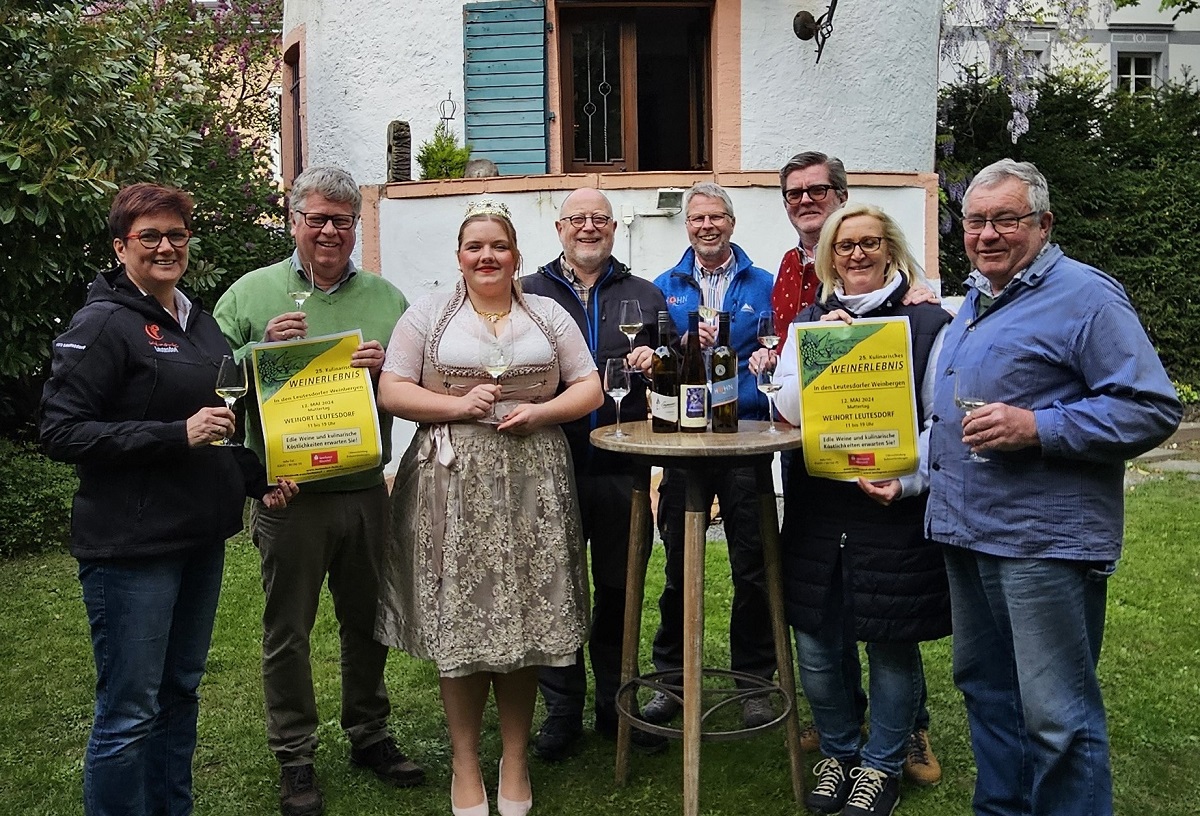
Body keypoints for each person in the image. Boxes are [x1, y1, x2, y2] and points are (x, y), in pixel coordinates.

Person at [927, 159, 1181, 816]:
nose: (986, 234)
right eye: (975, 220)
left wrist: (1039, 427)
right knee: (986, 692)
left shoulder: (1086, 296)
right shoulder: (979, 299)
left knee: (1057, 718)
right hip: (969, 532)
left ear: (1043, 224)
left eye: (1005, 220)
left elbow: (1151, 406)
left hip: (1042, 543)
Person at [40, 183, 297, 816]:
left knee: (180, 694)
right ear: (120, 245)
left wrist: (257, 478)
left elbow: (218, 423)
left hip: (199, 538)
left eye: (176, 235)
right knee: (129, 712)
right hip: (131, 547)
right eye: (149, 236)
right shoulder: (102, 324)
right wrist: (173, 435)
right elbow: (61, 431)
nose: (165, 246)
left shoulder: (196, 321)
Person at [374, 200, 603, 816]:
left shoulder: (548, 313)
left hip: (534, 476)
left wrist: (542, 412)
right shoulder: (428, 314)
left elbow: (588, 386)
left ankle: (516, 760)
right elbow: (392, 389)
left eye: (498, 246)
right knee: (463, 620)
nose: (487, 256)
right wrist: (458, 407)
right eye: (474, 247)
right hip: (452, 482)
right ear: (459, 256)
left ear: (516, 256)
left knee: (527, 621)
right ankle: (466, 763)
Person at [213, 166, 420, 816]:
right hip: (288, 497)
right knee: (288, 632)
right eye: (318, 218)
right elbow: (211, 383)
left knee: (367, 623)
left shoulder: (388, 300)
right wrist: (256, 351)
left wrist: (389, 365)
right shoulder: (250, 294)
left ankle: (370, 735)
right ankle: (295, 757)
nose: (331, 230)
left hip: (364, 491)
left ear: (357, 225)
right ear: (294, 221)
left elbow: (418, 380)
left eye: (343, 219)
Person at [749, 151, 943, 785]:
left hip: (891, 503)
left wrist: (908, 480)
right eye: (845, 247)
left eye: (869, 244)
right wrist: (825, 354)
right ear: (829, 258)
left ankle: (883, 762)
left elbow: (940, 425)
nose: (856, 255)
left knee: (889, 639)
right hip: (818, 501)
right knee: (817, 642)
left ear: (890, 251)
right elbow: (783, 410)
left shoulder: (929, 320)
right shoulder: (810, 322)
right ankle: (839, 751)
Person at [521, 187, 671, 760]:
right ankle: (561, 711)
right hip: (545, 465)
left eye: (599, 219)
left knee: (618, 589)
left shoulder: (644, 294)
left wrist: (659, 362)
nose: (588, 227)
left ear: (614, 229)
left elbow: (672, 376)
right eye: (577, 219)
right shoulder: (528, 293)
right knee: (554, 592)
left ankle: (615, 703)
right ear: (559, 228)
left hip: (620, 469)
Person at [636, 181, 777, 730]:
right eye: (697, 219)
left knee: (753, 567)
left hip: (743, 441)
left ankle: (756, 682)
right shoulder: (663, 287)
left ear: (732, 224)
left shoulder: (763, 284)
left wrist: (773, 352)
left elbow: (783, 342)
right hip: (684, 445)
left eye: (717, 217)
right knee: (676, 567)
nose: (707, 226)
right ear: (687, 226)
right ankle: (670, 679)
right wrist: (646, 354)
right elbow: (644, 351)